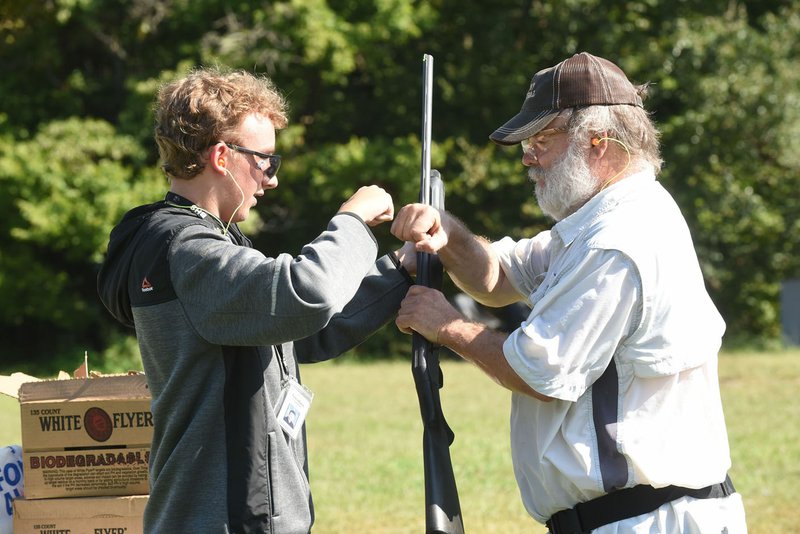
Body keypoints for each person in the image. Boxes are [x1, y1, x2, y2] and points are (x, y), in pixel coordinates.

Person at [391, 52, 747, 533]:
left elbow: (538, 370)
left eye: (542, 139)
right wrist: (447, 235)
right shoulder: (598, 223)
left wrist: (445, 325)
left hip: (647, 520)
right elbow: (498, 277)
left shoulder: (617, 240)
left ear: (599, 142)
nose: (526, 156)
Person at [97, 67, 411, 533]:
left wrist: (403, 269)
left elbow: (304, 332)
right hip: (222, 521)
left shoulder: (214, 246)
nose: (271, 179)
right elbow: (308, 293)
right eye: (265, 160)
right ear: (223, 156)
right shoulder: (190, 251)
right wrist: (353, 221)